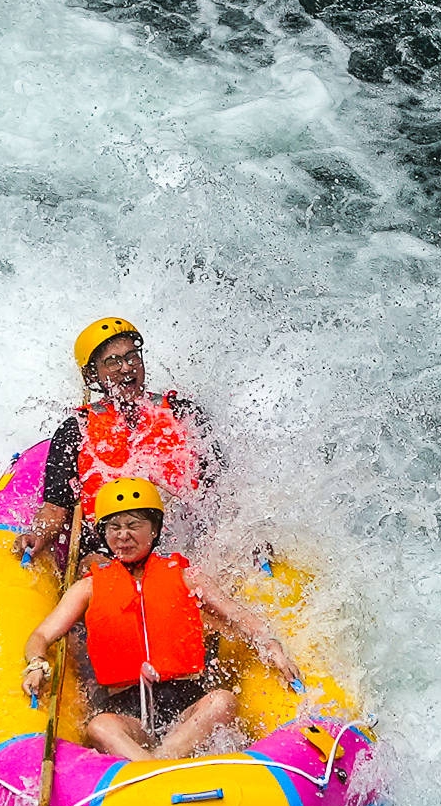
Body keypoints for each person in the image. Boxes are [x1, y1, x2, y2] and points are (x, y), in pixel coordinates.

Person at [21, 478, 297, 762]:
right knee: (99, 726)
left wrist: (272, 644)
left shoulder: (187, 577)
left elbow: (239, 616)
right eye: (114, 527)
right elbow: (40, 636)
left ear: (154, 530)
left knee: (223, 701)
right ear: (104, 534)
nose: (123, 536)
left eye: (133, 525)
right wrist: (36, 664)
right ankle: (158, 767)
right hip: (129, 713)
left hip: (187, 705)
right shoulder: (88, 588)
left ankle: (156, 765)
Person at [16, 317, 223, 561]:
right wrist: (38, 535)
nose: (126, 368)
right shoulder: (76, 429)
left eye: (132, 357)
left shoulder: (184, 413)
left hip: (184, 548)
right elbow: (55, 508)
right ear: (94, 375)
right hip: (109, 555)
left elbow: (220, 493)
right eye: (113, 362)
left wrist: (244, 537)